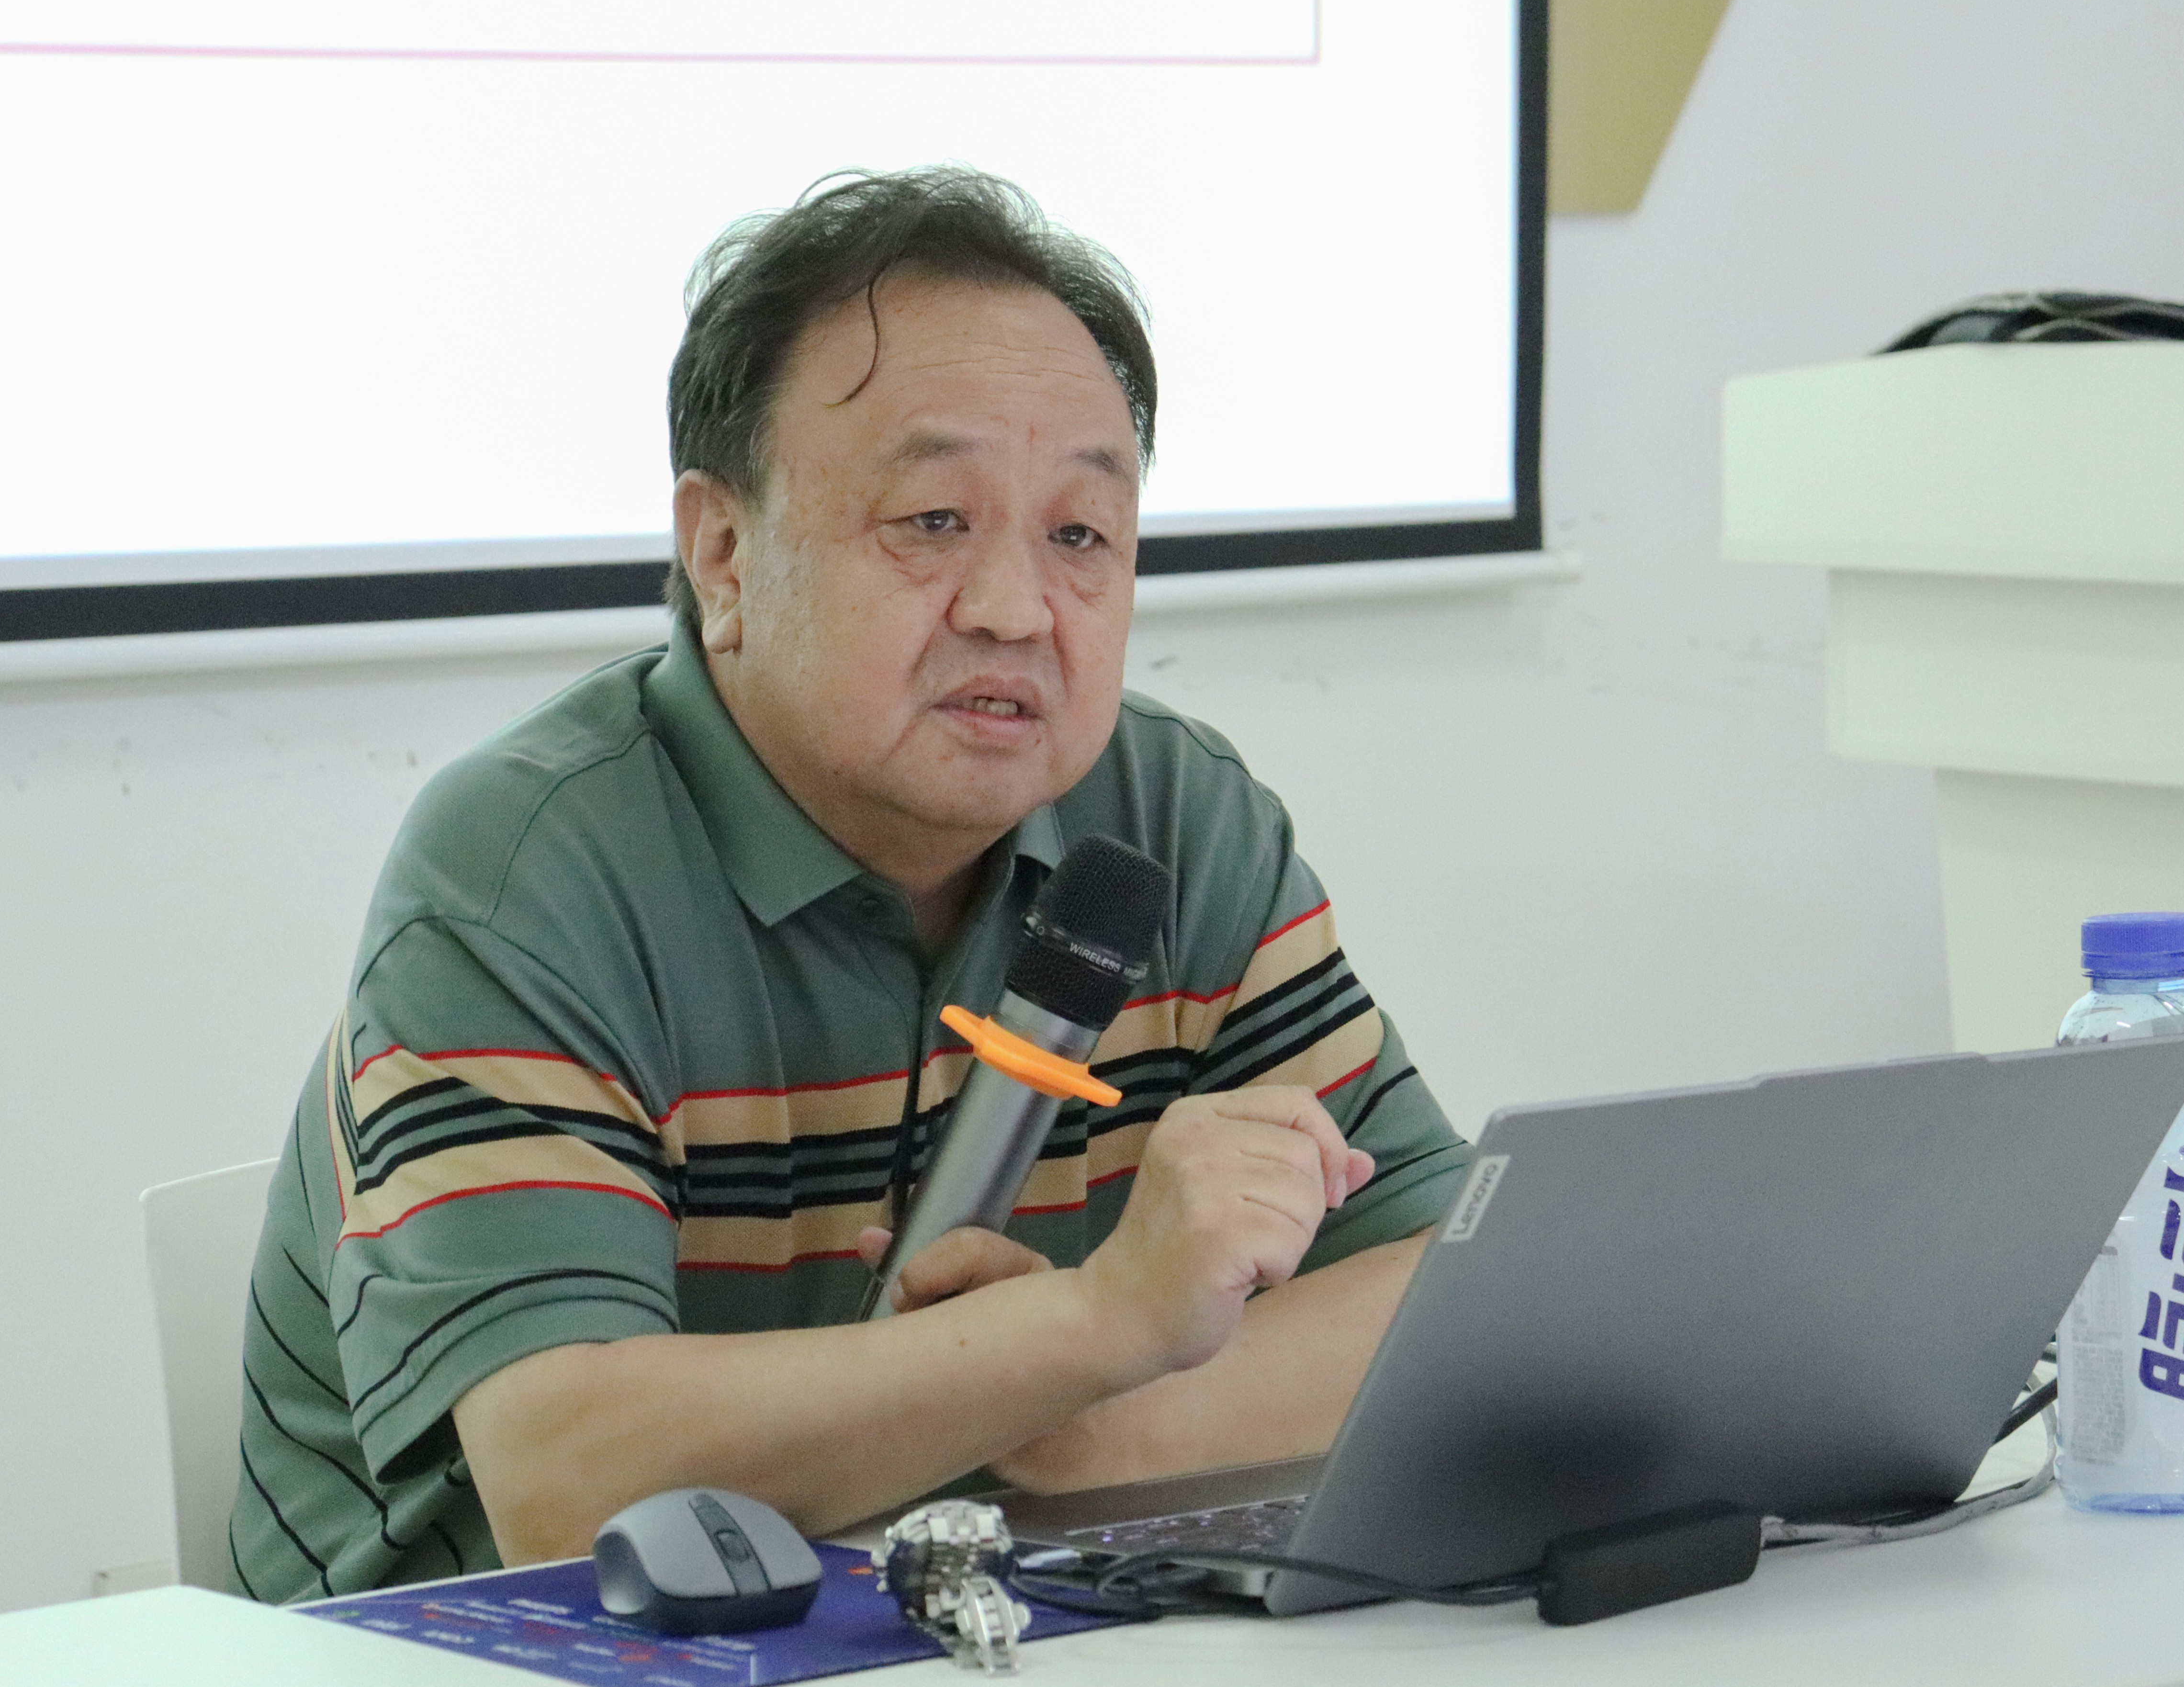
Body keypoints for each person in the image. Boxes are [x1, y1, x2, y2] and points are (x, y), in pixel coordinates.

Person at [230, 167, 1472, 1603]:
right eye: (933, 521)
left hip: (955, 1647)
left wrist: (1078, 1418)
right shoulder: (527, 867)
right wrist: (1096, 1326)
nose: (1016, 609)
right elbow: (563, 1482)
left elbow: (1455, 1293)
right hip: (475, 1678)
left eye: (1080, 534)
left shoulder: (1170, 820)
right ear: (722, 552)